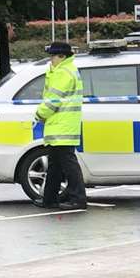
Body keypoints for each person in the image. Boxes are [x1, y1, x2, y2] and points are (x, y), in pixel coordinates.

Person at [34, 41, 86, 209]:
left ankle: (78, 199)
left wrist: (39, 114)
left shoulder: (63, 72)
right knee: (56, 164)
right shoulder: (64, 70)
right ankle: (50, 198)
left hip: (62, 125)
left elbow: (52, 100)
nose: (51, 60)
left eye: (53, 56)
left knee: (68, 165)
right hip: (61, 125)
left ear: (62, 56)